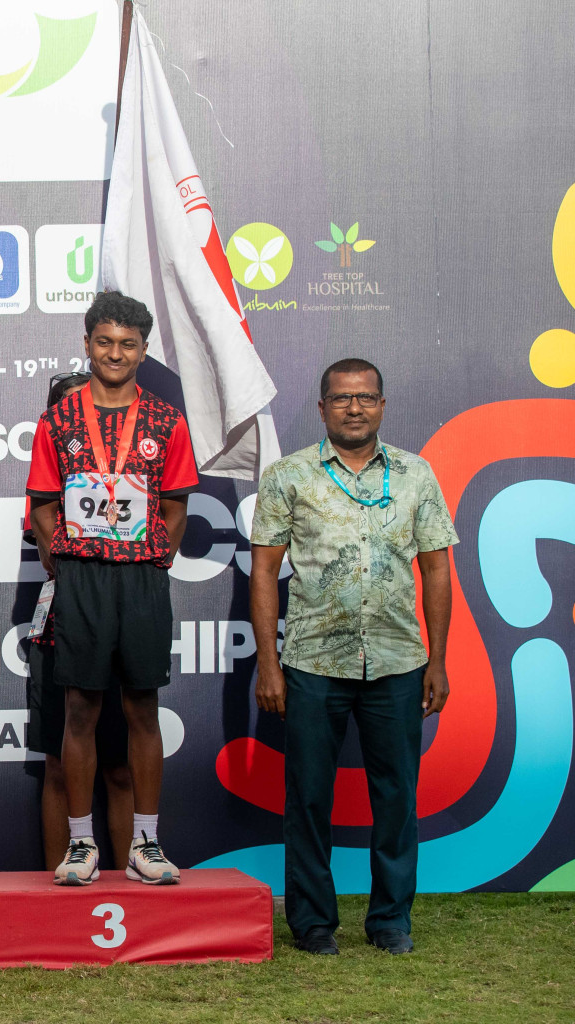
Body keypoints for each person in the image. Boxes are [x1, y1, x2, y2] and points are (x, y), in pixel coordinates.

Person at [249, 357, 456, 956]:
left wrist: (436, 661)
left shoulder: (417, 475)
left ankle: (392, 920)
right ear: (322, 408)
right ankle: (313, 924)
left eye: (365, 398)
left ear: (382, 406)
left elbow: (438, 569)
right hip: (313, 662)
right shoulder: (289, 476)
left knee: (396, 797)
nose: (354, 407)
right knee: (309, 797)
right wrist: (270, 664)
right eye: (341, 399)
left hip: (398, 661)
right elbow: (264, 572)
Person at [26, 291, 196, 886]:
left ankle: (147, 843)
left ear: (143, 351)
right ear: (87, 343)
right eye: (104, 342)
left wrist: (156, 559)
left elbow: (175, 503)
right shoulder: (59, 419)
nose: (115, 353)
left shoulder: (165, 420)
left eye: (127, 344)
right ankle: (80, 844)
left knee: (142, 708)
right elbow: (43, 505)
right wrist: (63, 562)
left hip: (141, 578)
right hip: (82, 578)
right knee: (79, 710)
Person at [24, 371, 135, 874]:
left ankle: (133, 870)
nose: (89, 426)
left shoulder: (129, 475)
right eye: (72, 414)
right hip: (60, 631)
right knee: (58, 767)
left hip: (122, 625)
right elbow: (54, 552)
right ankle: (58, 881)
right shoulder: (45, 489)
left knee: (119, 766)